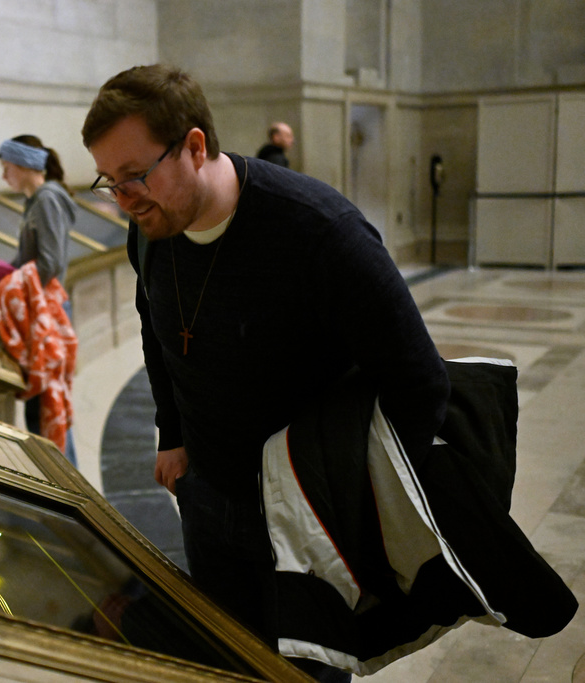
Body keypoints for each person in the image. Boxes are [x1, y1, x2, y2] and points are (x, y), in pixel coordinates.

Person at [81, 64, 450, 681]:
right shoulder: (150, 228)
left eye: (136, 176)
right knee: (231, 659)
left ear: (195, 146)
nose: (123, 198)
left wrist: (353, 509)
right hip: (208, 497)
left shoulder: (320, 232)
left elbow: (420, 383)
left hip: (305, 521)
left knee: (306, 673)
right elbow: (156, 327)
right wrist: (171, 433)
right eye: (109, 181)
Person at [0, 135, 78, 464]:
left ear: (26, 165)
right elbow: (31, 259)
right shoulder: (36, 201)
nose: (4, 177)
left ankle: (68, 488)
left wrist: (15, 285)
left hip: (47, 314)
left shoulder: (47, 199)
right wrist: (8, 272)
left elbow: (50, 262)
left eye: (7, 168)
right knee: (42, 409)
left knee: (48, 409)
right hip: (39, 310)